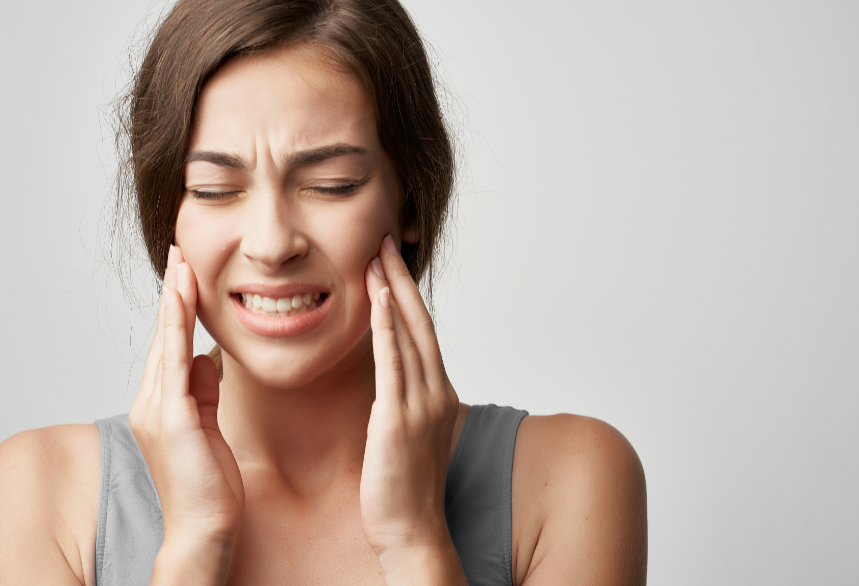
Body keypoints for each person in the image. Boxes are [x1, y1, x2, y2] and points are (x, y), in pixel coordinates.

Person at [0, 0, 647, 584]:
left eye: (332, 183)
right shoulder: (41, 491)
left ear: (411, 201)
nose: (271, 242)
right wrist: (191, 550)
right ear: (169, 216)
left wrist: (416, 545)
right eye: (215, 190)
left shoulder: (568, 480)